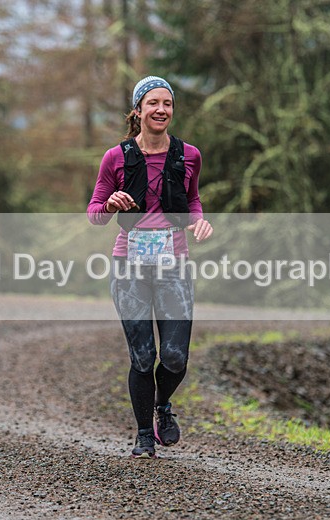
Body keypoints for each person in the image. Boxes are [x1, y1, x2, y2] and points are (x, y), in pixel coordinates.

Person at [87, 76, 213, 458]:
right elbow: (94, 213)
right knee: (142, 356)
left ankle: (162, 407)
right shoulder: (116, 157)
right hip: (129, 267)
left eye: (168, 104)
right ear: (138, 110)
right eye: (153, 103)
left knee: (175, 356)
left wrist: (198, 221)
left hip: (174, 265)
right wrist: (110, 206)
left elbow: (192, 201)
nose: (161, 110)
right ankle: (144, 435)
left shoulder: (188, 154)